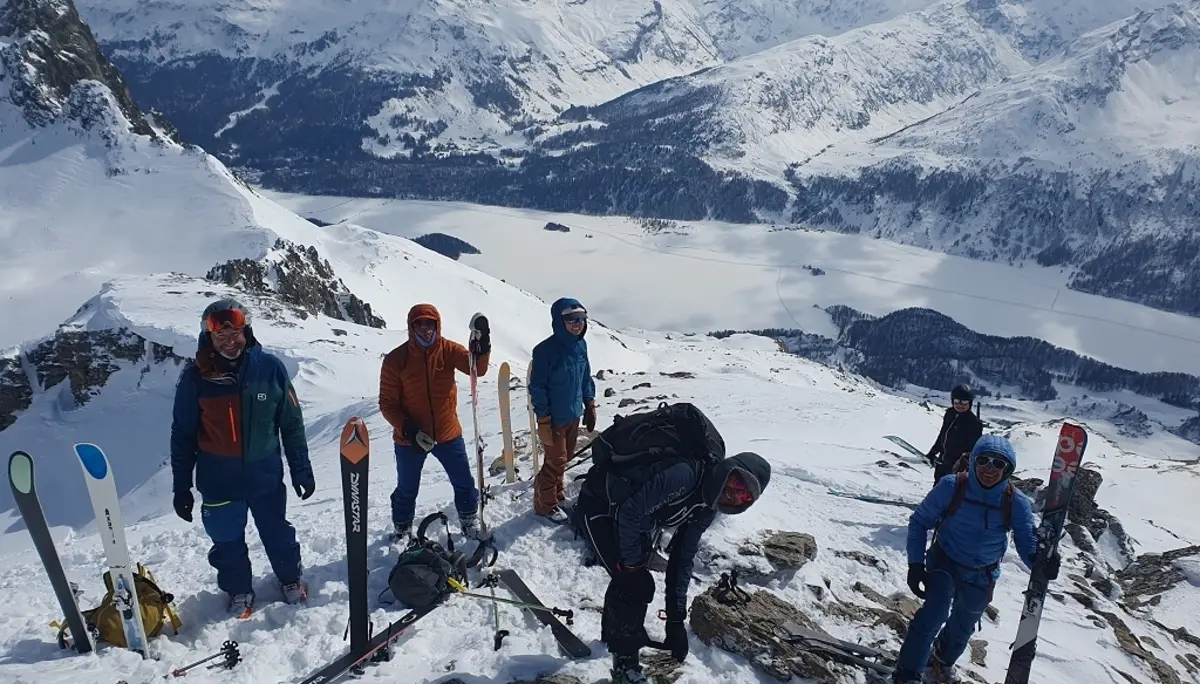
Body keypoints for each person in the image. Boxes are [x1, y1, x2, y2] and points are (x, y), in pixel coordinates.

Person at [573, 432, 771, 684]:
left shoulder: (706, 508)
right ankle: (625, 665)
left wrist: (676, 620)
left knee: (632, 579)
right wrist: (632, 568)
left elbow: (682, 559)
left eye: (744, 495)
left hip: (633, 518)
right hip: (599, 503)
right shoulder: (685, 475)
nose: (733, 492)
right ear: (728, 468)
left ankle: (613, 638)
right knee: (634, 584)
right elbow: (629, 514)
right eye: (738, 481)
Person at [170, 298, 315, 618]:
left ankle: (291, 580)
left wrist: (301, 469)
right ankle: (239, 591)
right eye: (220, 335)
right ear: (209, 337)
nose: (228, 341)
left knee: (277, 533)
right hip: (218, 480)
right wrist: (181, 486)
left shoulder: (270, 369)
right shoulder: (195, 378)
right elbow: (182, 434)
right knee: (227, 542)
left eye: (234, 333)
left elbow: (291, 423)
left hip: (264, 476)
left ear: (246, 332)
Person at [893, 434, 1060, 684]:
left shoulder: (1016, 503)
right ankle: (907, 673)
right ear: (972, 461)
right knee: (933, 615)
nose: (989, 469)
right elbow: (919, 522)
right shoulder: (952, 486)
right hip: (945, 562)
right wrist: (915, 564)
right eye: (983, 460)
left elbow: (1026, 542)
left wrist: (1040, 562)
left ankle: (940, 660)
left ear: (1008, 469)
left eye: (998, 464)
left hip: (982, 572)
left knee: (963, 625)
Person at [379, 303, 490, 542]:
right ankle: (402, 528)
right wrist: (409, 430)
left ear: (437, 324)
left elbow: (476, 370)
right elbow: (388, 404)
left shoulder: (448, 350)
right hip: (410, 439)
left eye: (430, 323)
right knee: (407, 489)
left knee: (463, 482)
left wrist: (483, 346)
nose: (425, 328)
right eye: (420, 323)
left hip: (447, 433)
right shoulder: (396, 360)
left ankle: (469, 519)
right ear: (411, 326)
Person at [528, 297, 596, 524]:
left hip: (573, 413)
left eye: (581, 318)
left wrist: (589, 404)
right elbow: (537, 387)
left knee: (562, 459)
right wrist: (544, 419)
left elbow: (585, 376)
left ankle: (555, 494)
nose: (577, 324)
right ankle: (545, 507)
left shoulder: (580, 345)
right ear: (559, 320)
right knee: (555, 461)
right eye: (570, 319)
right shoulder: (545, 350)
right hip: (555, 417)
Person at [925, 384, 983, 482]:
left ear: (970, 403)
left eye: (964, 402)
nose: (960, 405)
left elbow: (973, 449)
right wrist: (933, 451)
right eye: (957, 401)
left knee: (952, 492)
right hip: (942, 463)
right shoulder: (950, 414)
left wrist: (964, 467)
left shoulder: (974, 423)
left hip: (958, 469)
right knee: (938, 488)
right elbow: (943, 435)